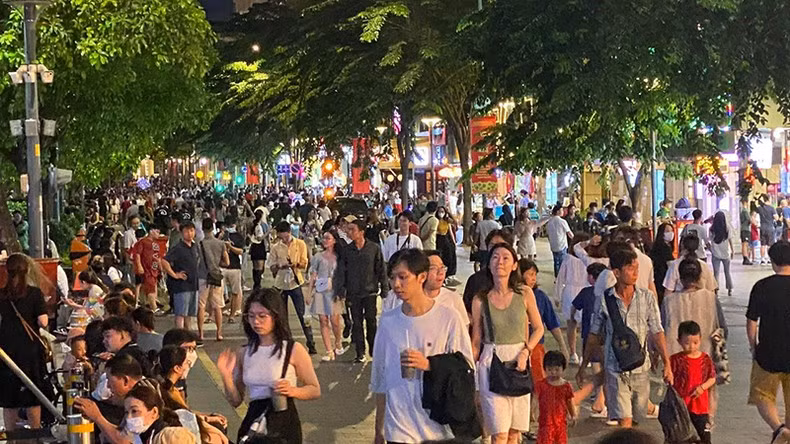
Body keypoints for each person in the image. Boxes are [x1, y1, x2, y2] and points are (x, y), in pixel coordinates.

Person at [372, 249, 473, 444]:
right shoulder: (387, 321)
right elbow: (380, 377)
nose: (396, 284)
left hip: (438, 428)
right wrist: (380, 429)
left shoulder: (448, 317)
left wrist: (430, 365)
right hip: (399, 427)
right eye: (392, 278)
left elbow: (467, 366)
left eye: (403, 277)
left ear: (422, 277)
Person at [577, 248, 673, 428]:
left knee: (637, 419)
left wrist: (666, 363)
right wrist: (584, 365)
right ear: (617, 273)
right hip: (615, 369)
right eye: (630, 268)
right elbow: (594, 335)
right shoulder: (605, 299)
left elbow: (657, 331)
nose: (636, 272)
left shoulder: (647, 298)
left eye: (637, 268)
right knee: (624, 421)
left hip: (641, 368)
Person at [217, 289, 321, 444]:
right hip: (254, 420)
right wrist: (226, 375)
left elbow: (314, 389)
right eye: (251, 316)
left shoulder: (293, 349)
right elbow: (236, 401)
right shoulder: (244, 352)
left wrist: (293, 390)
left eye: (262, 316)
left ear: (276, 316)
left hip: (284, 422)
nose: (256, 322)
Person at [471, 243, 544, 444]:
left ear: (514, 265)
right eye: (495, 257)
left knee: (514, 431)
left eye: (505, 258)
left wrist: (526, 352)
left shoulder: (525, 294)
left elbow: (539, 328)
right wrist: (473, 374)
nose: (500, 262)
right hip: (491, 362)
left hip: (519, 363)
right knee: (499, 432)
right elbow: (476, 340)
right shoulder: (480, 299)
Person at [746, 240, 790, 444]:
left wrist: (753, 345)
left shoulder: (761, 286)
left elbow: (752, 321)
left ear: (772, 261)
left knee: (762, 394)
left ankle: (778, 427)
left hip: (768, 353)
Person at [0, 254, 50, 431]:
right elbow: (43, 321)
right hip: (30, 350)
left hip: (6, 350)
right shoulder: (34, 293)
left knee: (9, 397)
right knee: (32, 393)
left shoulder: (2, 294)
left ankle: (10, 433)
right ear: (27, 270)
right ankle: (35, 432)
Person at [335, 218, 389, 363]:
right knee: (357, 323)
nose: (349, 232)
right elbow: (341, 271)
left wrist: (384, 288)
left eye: (353, 229)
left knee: (371, 321)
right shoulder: (347, 251)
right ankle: (360, 352)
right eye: (349, 229)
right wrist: (341, 290)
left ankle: (373, 349)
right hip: (353, 293)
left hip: (370, 291)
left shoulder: (374, 248)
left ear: (361, 232)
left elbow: (380, 269)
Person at [270, 220, 316, 354]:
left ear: (289, 232)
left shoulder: (300, 244)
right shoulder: (275, 247)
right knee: (282, 315)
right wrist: (279, 266)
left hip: (295, 282)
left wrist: (294, 264)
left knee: (302, 314)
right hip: (280, 284)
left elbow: (304, 263)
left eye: (285, 236)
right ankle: (286, 342)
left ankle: (311, 342)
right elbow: (271, 265)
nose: (283, 239)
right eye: (281, 237)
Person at [569, 263, 609, 418]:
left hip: (589, 335)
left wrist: (573, 319)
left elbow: (573, 308)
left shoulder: (586, 292)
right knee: (604, 369)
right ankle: (600, 398)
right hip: (603, 338)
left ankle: (600, 400)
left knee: (597, 368)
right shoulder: (608, 294)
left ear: (592, 277)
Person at [533, 351, 597, 444]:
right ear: (545, 369)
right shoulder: (541, 385)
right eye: (550, 370)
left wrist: (573, 415)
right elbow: (535, 399)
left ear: (563, 368)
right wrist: (533, 413)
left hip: (561, 423)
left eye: (557, 369)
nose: (553, 373)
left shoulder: (566, 386)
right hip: (545, 423)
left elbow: (569, 401)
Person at [670, 321, 716, 444]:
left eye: (695, 343)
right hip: (681, 406)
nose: (692, 346)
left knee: (705, 437)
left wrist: (702, 387)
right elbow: (669, 377)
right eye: (687, 343)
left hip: (700, 407)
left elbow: (712, 378)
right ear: (679, 341)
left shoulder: (705, 359)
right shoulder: (675, 360)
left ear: (700, 340)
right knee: (678, 437)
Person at [309, 231, 346, 361]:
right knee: (323, 320)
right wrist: (309, 293)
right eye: (324, 238)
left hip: (334, 291)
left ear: (334, 240)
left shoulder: (340, 256)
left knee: (334, 320)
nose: (325, 240)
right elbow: (313, 274)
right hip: (320, 290)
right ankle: (329, 350)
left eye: (328, 238)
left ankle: (337, 341)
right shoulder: (318, 256)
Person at [554, 235, 589, 364]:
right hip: (585, 291)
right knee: (586, 326)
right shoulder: (588, 259)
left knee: (571, 324)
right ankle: (585, 355)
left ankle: (573, 352)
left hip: (570, 292)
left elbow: (560, 278)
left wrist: (557, 296)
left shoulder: (568, 258)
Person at [161, 221, 201, 330]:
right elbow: (164, 261)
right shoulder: (178, 248)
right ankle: (179, 335)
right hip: (181, 286)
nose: (189, 233)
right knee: (180, 313)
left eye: (191, 230)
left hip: (193, 284)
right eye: (186, 231)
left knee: (189, 313)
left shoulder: (194, 246)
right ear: (182, 233)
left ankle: (187, 335)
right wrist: (174, 275)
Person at [197, 218, 230, 342]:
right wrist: (216, 263)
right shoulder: (220, 244)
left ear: (202, 229)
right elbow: (227, 262)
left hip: (202, 276)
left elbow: (197, 262)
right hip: (216, 276)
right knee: (217, 306)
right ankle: (219, 333)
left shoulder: (199, 244)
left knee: (201, 306)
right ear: (213, 227)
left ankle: (201, 334)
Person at [221, 215, 245, 321]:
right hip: (222, 267)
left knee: (235, 292)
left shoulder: (238, 236)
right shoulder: (220, 235)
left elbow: (240, 251)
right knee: (219, 292)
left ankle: (232, 314)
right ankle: (218, 313)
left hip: (234, 267)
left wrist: (230, 247)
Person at [649, 222, 676, 304]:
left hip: (658, 277)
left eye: (672, 231)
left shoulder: (660, 246)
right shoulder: (664, 248)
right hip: (662, 278)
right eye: (667, 231)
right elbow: (670, 265)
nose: (671, 233)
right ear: (662, 233)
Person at [710, 211, 734, 296]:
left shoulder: (712, 229)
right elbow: (730, 240)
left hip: (715, 253)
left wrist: (711, 249)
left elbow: (711, 241)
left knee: (716, 272)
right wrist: (732, 251)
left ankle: (716, 289)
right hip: (725, 253)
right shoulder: (727, 229)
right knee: (727, 272)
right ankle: (729, 289)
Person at [435, 206, 460, 286]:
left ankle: (448, 275)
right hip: (438, 239)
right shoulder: (436, 221)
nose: (441, 213)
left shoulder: (447, 221)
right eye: (440, 211)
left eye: (443, 211)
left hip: (446, 239)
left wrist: (454, 242)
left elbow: (451, 232)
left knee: (449, 257)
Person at [547, 206, 574, 277]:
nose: (563, 212)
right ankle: (562, 277)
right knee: (563, 262)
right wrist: (575, 240)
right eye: (562, 210)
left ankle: (557, 277)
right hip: (562, 244)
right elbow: (569, 233)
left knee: (556, 262)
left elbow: (548, 234)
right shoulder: (562, 221)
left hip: (553, 245)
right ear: (558, 211)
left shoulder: (549, 222)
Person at [249, 208, 269, 290]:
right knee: (260, 268)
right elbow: (260, 238)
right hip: (259, 247)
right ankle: (257, 285)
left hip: (253, 246)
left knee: (255, 267)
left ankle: (256, 284)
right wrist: (267, 233)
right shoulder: (259, 226)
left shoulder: (253, 224)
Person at [758, 194, 778, 263]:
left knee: (762, 244)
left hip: (762, 227)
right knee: (770, 244)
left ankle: (762, 259)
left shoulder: (759, 208)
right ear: (768, 199)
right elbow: (776, 218)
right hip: (770, 227)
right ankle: (769, 259)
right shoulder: (771, 208)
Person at [741, 199, 754, 265]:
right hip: (746, 229)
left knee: (744, 244)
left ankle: (745, 257)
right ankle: (745, 258)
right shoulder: (745, 211)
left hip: (743, 228)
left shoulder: (742, 211)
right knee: (745, 244)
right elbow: (750, 220)